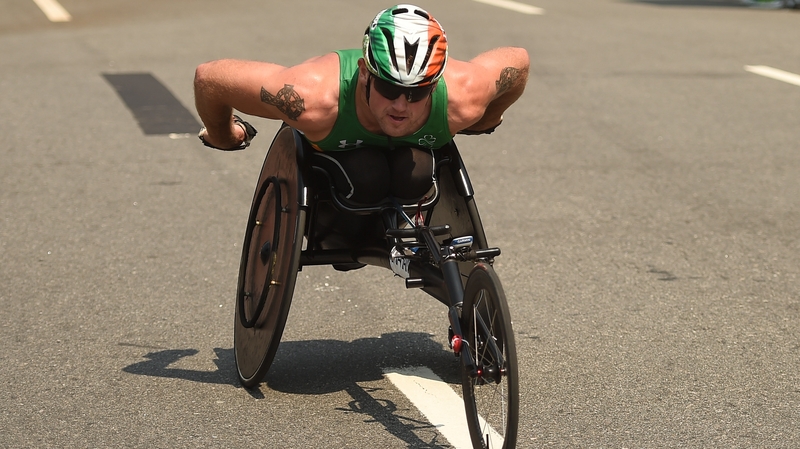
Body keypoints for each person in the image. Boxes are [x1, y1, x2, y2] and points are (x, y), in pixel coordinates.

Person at [194, 3, 529, 204]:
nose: (400, 104)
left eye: (416, 92)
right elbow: (209, 78)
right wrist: (224, 135)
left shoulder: (465, 98)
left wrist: (487, 118)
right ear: (365, 72)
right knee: (365, 176)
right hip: (337, 167)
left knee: (411, 177)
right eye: (387, 87)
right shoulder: (311, 99)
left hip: (407, 166)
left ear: (436, 84)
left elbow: (519, 61)